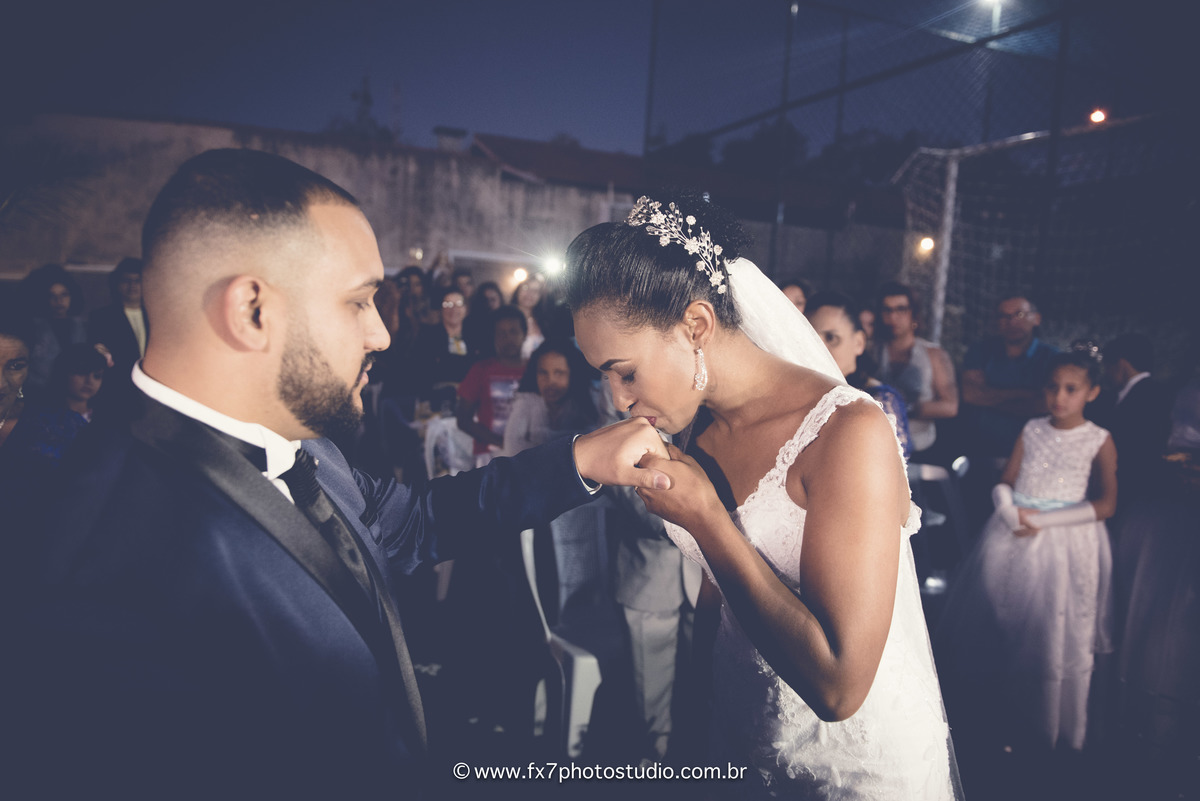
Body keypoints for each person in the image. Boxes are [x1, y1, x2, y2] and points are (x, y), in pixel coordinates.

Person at [12, 149, 670, 800]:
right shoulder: (96, 570)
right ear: (253, 311)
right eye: (359, 302)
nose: (381, 333)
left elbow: (414, 522)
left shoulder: (308, 443)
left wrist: (578, 460)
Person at [566, 194, 960, 798]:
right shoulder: (697, 430)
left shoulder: (847, 432)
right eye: (604, 375)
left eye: (625, 371)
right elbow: (712, 603)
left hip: (848, 770)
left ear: (695, 325)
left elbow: (839, 689)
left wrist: (707, 519)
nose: (618, 399)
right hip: (739, 742)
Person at [938, 346, 1116, 761]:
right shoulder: (1032, 429)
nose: (1059, 396)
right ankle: (997, 717)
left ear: (1092, 392)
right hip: (1012, 533)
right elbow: (1007, 479)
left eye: (1071, 389)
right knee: (1005, 617)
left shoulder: (1099, 439)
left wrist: (1044, 521)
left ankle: (1049, 722)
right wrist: (1008, 509)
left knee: (1052, 627)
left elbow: (1107, 504)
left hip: (1064, 542)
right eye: (1052, 387)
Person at [806, 289, 912, 459]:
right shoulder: (803, 393)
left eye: (832, 338)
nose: (820, 349)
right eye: (811, 339)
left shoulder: (879, 401)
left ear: (859, 342)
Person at [961, 294, 1058, 466]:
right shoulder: (980, 351)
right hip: (979, 450)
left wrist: (989, 396)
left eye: (1019, 314)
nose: (1011, 322)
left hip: (1032, 453)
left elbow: (1044, 405)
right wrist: (1024, 394)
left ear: (1036, 319)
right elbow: (970, 395)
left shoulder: (1053, 358)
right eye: (1004, 316)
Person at [874, 281, 958, 460]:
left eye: (901, 309)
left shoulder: (934, 355)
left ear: (913, 313)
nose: (893, 317)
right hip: (876, 445)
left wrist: (904, 408)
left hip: (921, 447)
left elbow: (950, 406)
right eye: (887, 310)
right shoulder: (871, 351)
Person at [455, 305, 526, 465]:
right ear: (493, 337)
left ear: (524, 334)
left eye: (513, 332)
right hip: (490, 457)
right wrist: (500, 442)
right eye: (501, 333)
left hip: (529, 452)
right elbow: (463, 419)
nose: (508, 338)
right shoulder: (480, 370)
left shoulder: (536, 369)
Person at [88, 256, 148, 418]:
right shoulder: (101, 317)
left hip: (151, 388)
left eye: (137, 281)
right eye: (126, 281)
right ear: (117, 284)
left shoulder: (157, 315)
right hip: (118, 389)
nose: (132, 286)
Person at [19, 262, 90, 399]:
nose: (59, 301)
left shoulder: (82, 326)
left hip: (74, 395)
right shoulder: (32, 327)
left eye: (64, 295)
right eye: (52, 296)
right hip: (40, 394)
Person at [510, 275, 546, 360]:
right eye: (526, 288)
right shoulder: (506, 319)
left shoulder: (544, 322)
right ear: (518, 290)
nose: (530, 294)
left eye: (535, 291)